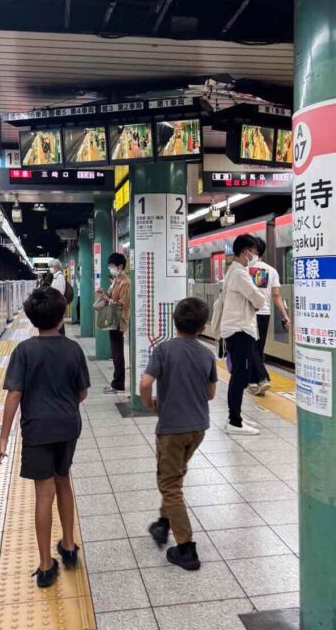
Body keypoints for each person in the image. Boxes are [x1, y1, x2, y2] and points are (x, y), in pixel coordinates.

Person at [0, 287, 90, 587]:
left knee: (43, 494)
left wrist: (3, 439)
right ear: (62, 317)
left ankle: (47, 565)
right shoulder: (73, 349)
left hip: (37, 429)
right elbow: (82, 392)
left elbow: (14, 395)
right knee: (65, 482)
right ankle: (70, 547)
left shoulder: (24, 351)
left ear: (33, 319)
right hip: (68, 426)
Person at [140, 297, 217, 571]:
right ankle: (163, 523)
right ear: (202, 327)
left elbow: (145, 384)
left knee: (170, 484)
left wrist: (150, 406)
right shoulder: (207, 353)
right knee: (174, 474)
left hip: (172, 428)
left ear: (174, 321)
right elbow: (210, 394)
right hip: (198, 428)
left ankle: (186, 549)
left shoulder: (164, 350)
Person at [219, 233, 266, 436]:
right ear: (246, 252)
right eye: (254, 252)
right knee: (239, 376)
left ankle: (236, 417)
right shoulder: (240, 273)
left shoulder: (234, 271)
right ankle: (234, 422)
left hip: (235, 329)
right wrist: (258, 295)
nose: (255, 255)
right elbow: (259, 299)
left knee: (239, 375)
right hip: (240, 330)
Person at [248, 237, 291, 396]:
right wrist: (285, 316)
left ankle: (262, 378)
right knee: (258, 348)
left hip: (250, 313)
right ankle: (253, 382)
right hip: (265, 314)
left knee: (250, 346)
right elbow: (276, 295)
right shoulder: (271, 270)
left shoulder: (246, 269)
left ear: (253, 251)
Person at [96, 252, 131, 394]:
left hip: (119, 320)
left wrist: (106, 298)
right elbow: (111, 297)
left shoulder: (125, 283)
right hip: (113, 320)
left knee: (117, 352)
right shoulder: (116, 280)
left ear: (120, 266)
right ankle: (117, 381)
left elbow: (122, 305)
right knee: (115, 352)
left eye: (112, 266)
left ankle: (118, 383)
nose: (110, 269)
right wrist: (104, 294)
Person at [49, 258, 67, 335]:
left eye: (51, 267)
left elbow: (60, 292)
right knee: (58, 323)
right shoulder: (55, 277)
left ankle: (61, 339)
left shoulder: (59, 277)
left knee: (59, 323)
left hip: (58, 303)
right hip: (56, 303)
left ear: (56, 267)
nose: (50, 269)